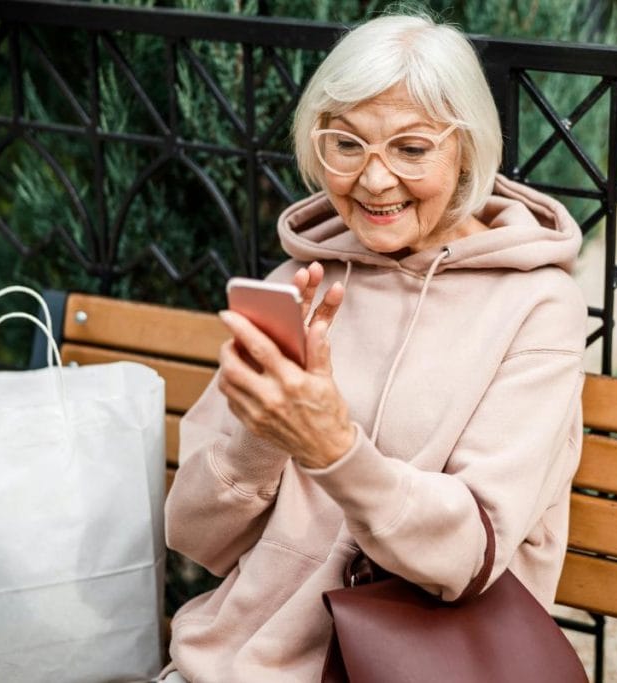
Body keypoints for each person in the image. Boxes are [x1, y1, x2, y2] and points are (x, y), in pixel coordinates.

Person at [161, 11, 586, 682]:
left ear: (467, 150)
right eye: (347, 144)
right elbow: (193, 536)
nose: (374, 180)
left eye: (412, 149)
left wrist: (334, 449)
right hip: (230, 662)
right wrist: (266, 437)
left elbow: (465, 553)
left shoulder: (536, 308)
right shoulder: (296, 284)